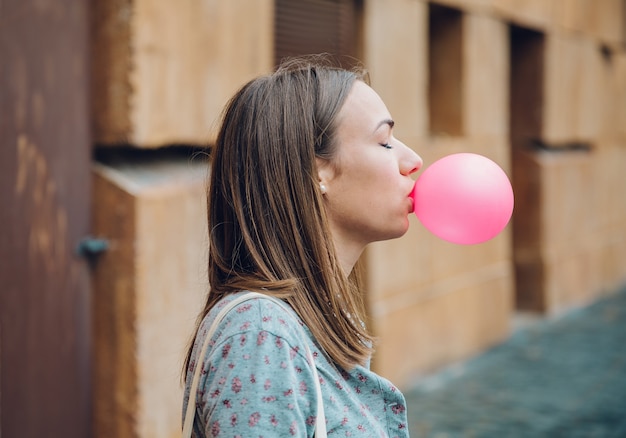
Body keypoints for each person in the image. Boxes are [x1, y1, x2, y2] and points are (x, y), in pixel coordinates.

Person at [182, 55, 422, 437]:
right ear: (316, 170)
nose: (413, 160)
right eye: (385, 141)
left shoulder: (306, 321)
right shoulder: (261, 335)